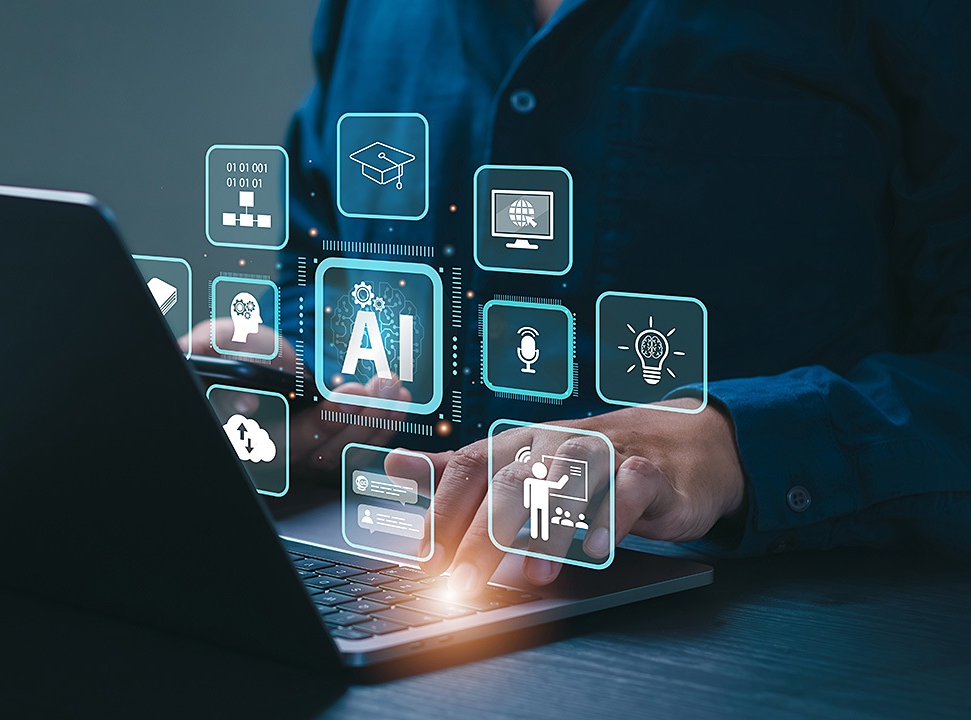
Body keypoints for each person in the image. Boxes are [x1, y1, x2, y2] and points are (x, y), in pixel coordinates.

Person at [193, 1, 971, 593]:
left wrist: (725, 445)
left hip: (779, 645)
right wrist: (298, 377)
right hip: (398, 598)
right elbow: (320, 263)